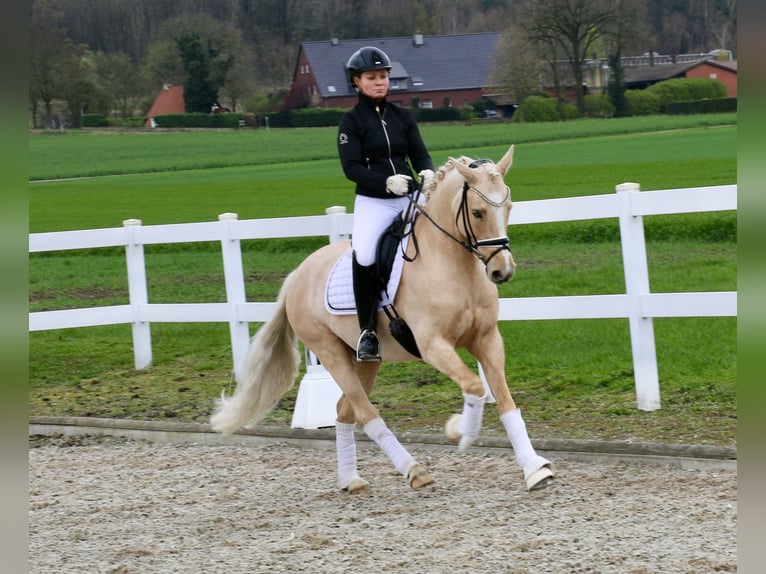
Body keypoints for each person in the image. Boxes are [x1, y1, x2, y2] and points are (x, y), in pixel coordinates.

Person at [337, 46, 435, 362]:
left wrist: (427, 171)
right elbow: (351, 168)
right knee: (364, 253)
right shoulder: (351, 122)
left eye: (383, 76)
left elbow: (419, 153)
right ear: (357, 81)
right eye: (372, 77)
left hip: (409, 196)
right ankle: (367, 331)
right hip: (375, 201)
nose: (380, 82)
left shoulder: (402, 117)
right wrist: (383, 182)